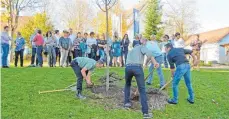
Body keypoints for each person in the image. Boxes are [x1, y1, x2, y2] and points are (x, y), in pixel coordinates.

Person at [124, 38, 159, 119]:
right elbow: (149, 54)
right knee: (142, 89)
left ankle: (126, 103)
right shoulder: (141, 47)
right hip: (137, 68)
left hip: (128, 68)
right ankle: (145, 113)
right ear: (139, 44)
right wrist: (155, 63)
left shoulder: (131, 50)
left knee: (127, 85)